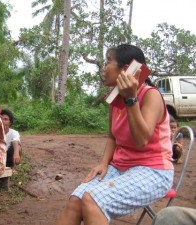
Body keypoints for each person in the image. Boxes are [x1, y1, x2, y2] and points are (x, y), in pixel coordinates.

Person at [55, 44, 174, 225]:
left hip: (154, 170)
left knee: (93, 200)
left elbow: (142, 140)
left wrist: (131, 99)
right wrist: (104, 163)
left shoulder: (151, 96)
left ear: (126, 70)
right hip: (120, 168)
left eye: (108, 62)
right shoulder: (114, 99)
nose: (104, 68)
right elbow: (112, 137)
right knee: (76, 201)